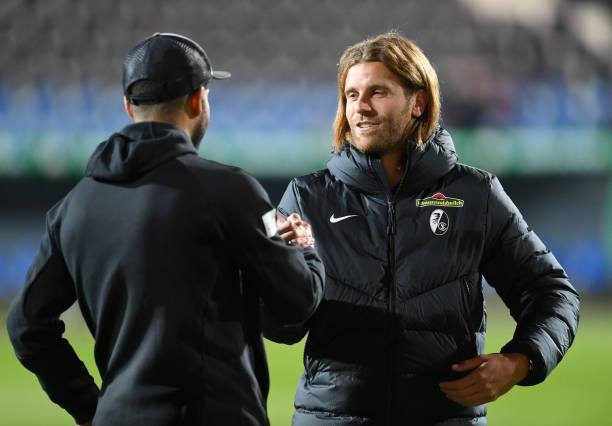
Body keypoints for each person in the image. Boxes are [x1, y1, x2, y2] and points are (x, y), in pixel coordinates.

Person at [6, 32, 324, 426]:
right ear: (198, 99)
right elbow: (298, 300)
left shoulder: (73, 207)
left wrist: (89, 407)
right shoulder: (231, 191)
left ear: (128, 106)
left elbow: (26, 326)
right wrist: (304, 246)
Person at [264, 32, 580, 425]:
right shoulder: (306, 198)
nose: (359, 107)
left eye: (377, 92)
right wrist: (277, 272)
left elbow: (552, 292)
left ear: (419, 103)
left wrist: (517, 363)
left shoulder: (475, 194)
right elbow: (283, 327)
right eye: (351, 95)